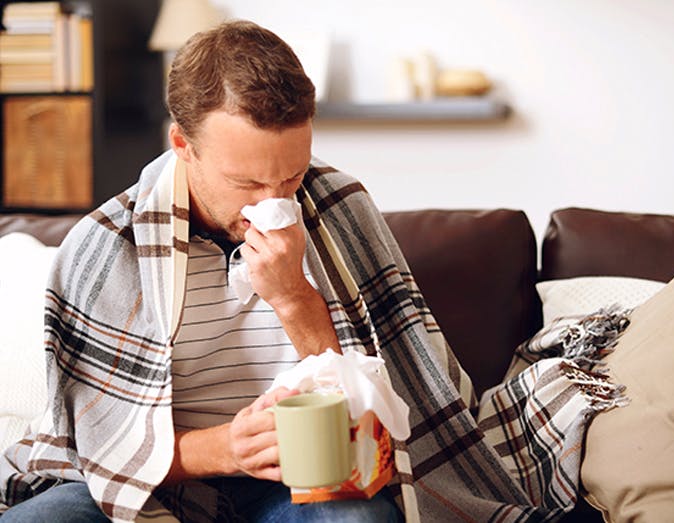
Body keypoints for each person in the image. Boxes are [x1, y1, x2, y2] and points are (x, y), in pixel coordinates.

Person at [0, 19, 616, 523]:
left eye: (290, 176)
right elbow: (102, 444)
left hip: (301, 478)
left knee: (361, 520)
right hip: (154, 479)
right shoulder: (106, 247)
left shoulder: (337, 205)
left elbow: (381, 414)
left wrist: (295, 298)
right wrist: (226, 450)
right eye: (245, 181)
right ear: (182, 145)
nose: (272, 199)